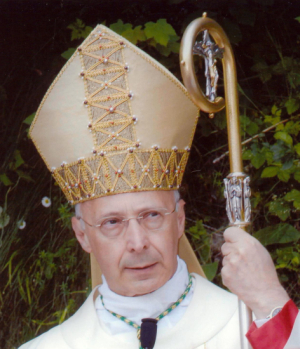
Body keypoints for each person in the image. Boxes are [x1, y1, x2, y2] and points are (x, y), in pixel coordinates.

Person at [19, 23, 299, 349]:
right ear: (82, 234)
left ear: (179, 219)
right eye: (112, 222)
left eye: (152, 215)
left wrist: (268, 298)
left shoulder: (250, 326)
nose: (138, 243)